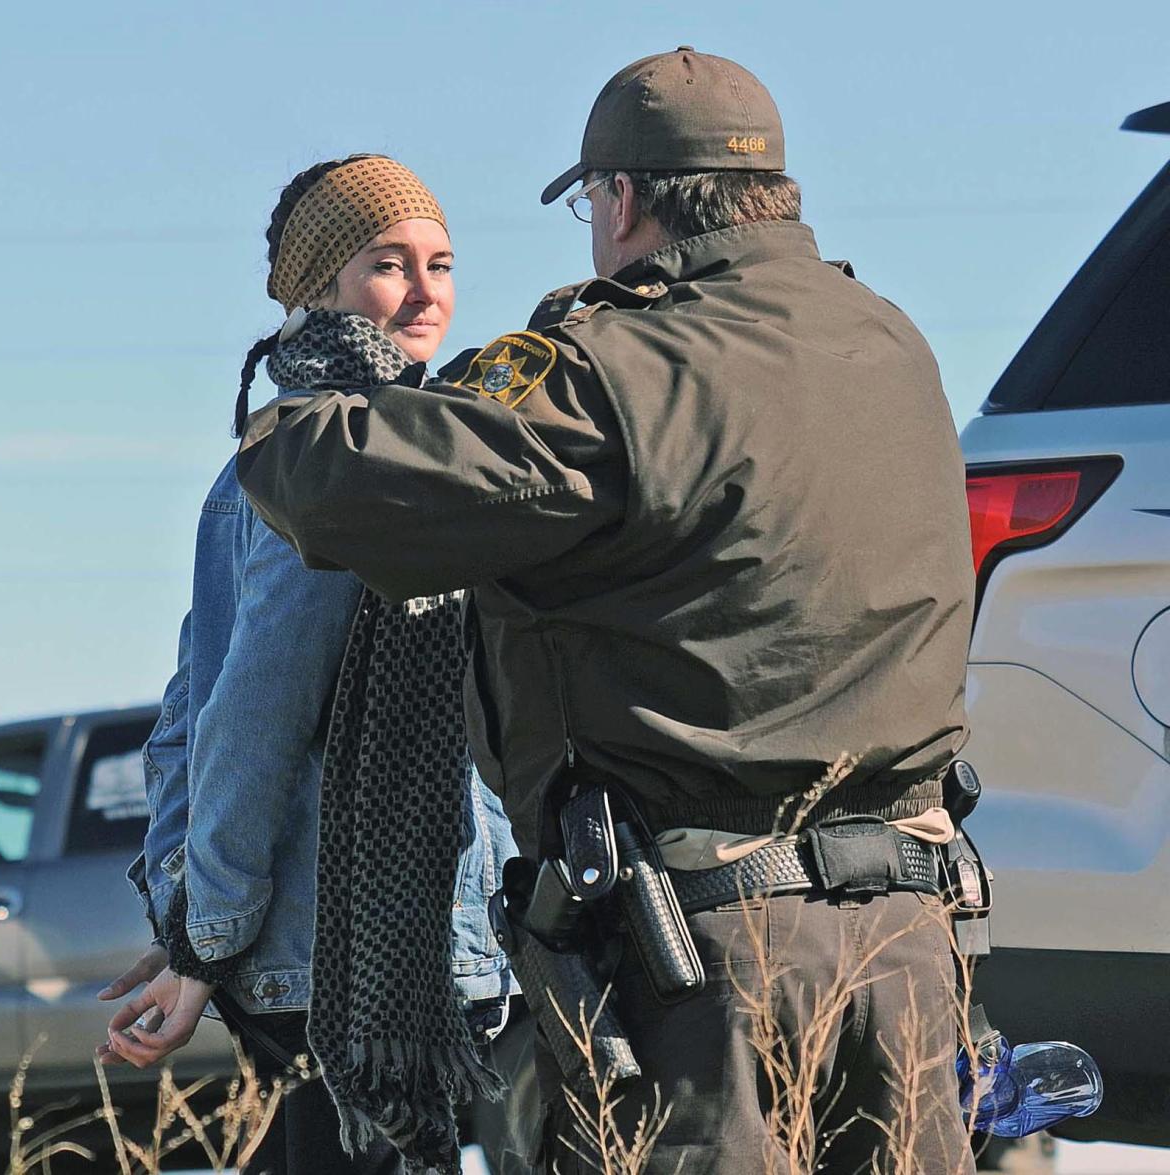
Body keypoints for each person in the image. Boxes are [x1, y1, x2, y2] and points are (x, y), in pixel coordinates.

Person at [236, 50, 977, 1174]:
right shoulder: (890, 342)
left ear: (622, 198)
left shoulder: (620, 361)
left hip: (706, 961)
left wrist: (307, 375)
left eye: (591, 202)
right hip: (915, 941)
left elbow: (339, 487)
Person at [97, 155, 514, 1175]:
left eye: (442, 262)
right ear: (314, 285)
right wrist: (204, 936)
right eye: (388, 263)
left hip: (365, 951)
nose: (426, 292)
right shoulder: (351, 454)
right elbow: (245, 712)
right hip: (370, 966)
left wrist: (197, 915)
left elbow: (191, 717)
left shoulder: (296, 448)